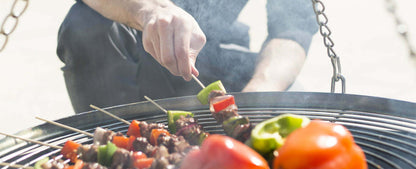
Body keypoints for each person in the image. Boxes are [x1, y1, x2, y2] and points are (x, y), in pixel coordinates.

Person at [57, 0, 318, 113]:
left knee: (292, 94)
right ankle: (116, 159)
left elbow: (291, 31)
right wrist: (151, 10)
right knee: (84, 25)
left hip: (211, 61)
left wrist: (258, 93)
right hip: (125, 55)